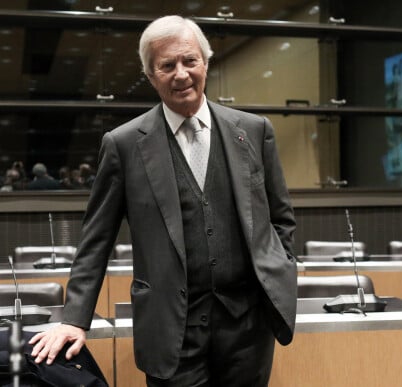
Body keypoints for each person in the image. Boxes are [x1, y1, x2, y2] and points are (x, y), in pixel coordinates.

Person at [29, 15, 297, 386]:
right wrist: (75, 319)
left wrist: (279, 273)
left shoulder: (253, 131)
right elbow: (96, 240)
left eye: (190, 61)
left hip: (248, 329)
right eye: (167, 65)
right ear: (151, 76)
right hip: (171, 331)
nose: (181, 74)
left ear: (206, 62)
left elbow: (281, 219)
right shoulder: (123, 144)